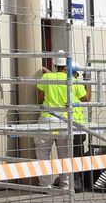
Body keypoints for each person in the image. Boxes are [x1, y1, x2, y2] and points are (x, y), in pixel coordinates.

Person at [34, 51, 87, 184]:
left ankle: (45, 185)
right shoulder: (73, 80)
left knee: (43, 153)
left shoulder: (46, 78)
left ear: (55, 65)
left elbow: (40, 99)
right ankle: (66, 185)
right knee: (65, 154)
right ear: (68, 66)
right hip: (65, 121)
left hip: (47, 119)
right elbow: (85, 98)